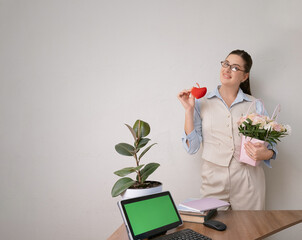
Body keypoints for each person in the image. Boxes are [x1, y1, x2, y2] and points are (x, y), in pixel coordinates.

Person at [177, 49, 276, 210]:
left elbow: (271, 146)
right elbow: (192, 147)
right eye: (226, 64)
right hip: (213, 179)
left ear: (245, 76)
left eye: (235, 67)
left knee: (249, 232)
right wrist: (188, 110)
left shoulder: (255, 104)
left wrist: (265, 153)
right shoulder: (201, 103)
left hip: (249, 179)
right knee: (213, 232)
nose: (228, 69)